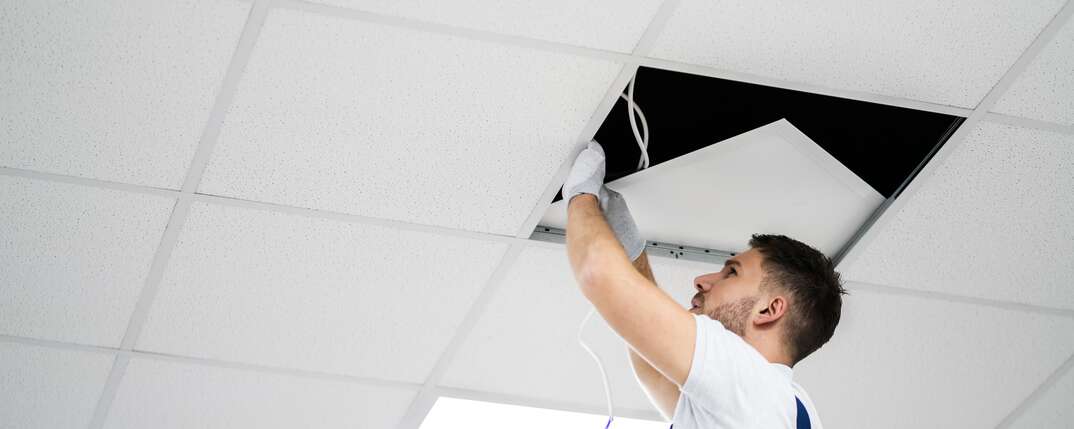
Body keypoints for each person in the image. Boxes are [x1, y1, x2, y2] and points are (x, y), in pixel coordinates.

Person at [562, 141, 846, 428]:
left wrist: (581, 196)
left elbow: (597, 272)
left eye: (731, 273)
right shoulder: (789, 406)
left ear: (769, 309)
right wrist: (629, 246)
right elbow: (658, 370)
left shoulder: (751, 385)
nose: (701, 281)